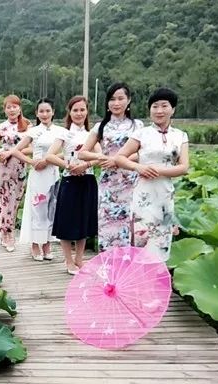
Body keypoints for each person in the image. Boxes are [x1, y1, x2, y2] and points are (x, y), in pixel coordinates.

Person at [114, 87, 189, 261]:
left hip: (165, 194)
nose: (159, 110)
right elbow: (119, 158)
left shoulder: (180, 136)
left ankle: (156, 285)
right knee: (142, 241)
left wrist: (158, 171)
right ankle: (140, 286)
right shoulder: (141, 133)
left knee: (162, 243)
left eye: (164, 106)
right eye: (155, 106)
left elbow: (184, 167)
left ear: (173, 109)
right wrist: (138, 167)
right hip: (143, 194)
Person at [78, 83, 144, 251]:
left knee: (132, 226)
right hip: (109, 184)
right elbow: (83, 153)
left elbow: (143, 153)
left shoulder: (138, 126)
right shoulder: (100, 127)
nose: (116, 103)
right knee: (108, 227)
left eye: (121, 98)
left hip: (131, 181)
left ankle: (129, 271)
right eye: (112, 99)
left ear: (128, 101)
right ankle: (109, 271)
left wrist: (117, 160)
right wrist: (100, 156)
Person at [45, 95, 96, 275]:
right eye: (75, 110)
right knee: (66, 222)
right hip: (69, 180)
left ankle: (79, 260)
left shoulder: (93, 134)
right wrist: (68, 165)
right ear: (69, 112)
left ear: (87, 111)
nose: (79, 113)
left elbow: (101, 155)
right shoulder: (64, 133)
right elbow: (49, 156)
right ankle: (68, 261)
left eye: (82, 109)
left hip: (88, 180)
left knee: (84, 221)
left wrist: (86, 164)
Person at [12, 97, 66, 261]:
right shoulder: (33, 131)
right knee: (37, 209)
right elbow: (16, 150)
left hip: (52, 173)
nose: (44, 114)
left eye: (48, 111)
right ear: (36, 113)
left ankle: (47, 245)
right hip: (37, 174)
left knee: (52, 209)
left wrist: (50, 160)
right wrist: (32, 162)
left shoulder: (60, 131)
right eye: (41, 111)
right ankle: (35, 245)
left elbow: (67, 152)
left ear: (53, 112)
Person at [0, 95, 31, 252]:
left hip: (20, 168)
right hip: (5, 168)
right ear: (5, 109)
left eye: (15, 106)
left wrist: (13, 152)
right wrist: (2, 151)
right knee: (5, 201)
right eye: (9, 107)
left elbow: (32, 148)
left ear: (20, 108)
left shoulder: (27, 126)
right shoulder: (1, 127)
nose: (12, 109)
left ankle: (7, 230)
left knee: (15, 202)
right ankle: (7, 234)